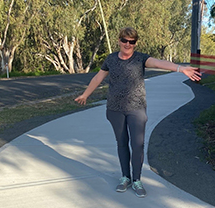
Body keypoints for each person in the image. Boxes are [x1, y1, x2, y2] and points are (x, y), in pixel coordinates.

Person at [75, 27, 201, 198]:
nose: (128, 44)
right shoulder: (111, 59)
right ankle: (125, 177)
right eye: (124, 40)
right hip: (115, 109)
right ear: (119, 40)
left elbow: (158, 63)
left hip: (136, 108)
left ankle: (136, 180)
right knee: (121, 143)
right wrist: (85, 95)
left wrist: (180, 68)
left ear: (135, 43)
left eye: (131, 41)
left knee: (138, 144)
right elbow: (98, 77)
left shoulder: (140, 58)